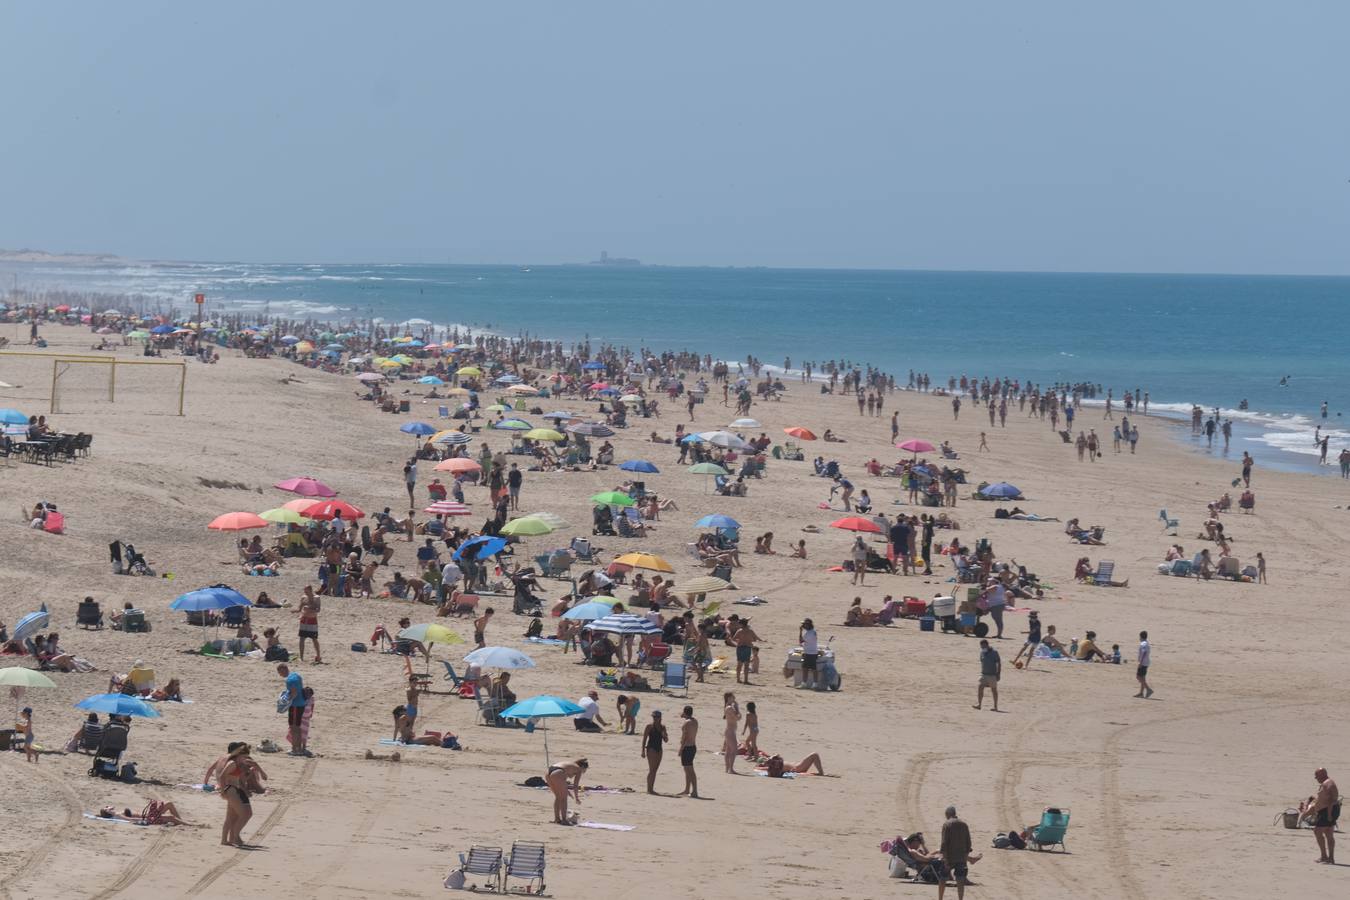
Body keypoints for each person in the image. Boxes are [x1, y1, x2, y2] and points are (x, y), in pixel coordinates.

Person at [215, 742, 261, 847]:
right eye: (244, 756)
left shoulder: (238, 763)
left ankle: (225, 840)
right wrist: (223, 791)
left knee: (231, 817)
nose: (246, 758)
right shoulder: (232, 763)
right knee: (245, 814)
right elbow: (222, 777)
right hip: (230, 789)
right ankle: (235, 837)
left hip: (233, 789)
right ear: (239, 755)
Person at [938, 805, 981, 899]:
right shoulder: (964, 824)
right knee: (960, 880)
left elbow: (944, 843)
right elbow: (968, 843)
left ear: (947, 814)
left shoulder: (947, 824)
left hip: (949, 857)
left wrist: (945, 858)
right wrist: (965, 856)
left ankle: (940, 898)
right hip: (961, 858)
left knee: (942, 879)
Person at [277, 663, 310, 756]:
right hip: (301, 704)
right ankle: (298, 748)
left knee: (293, 727)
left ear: (284, 669)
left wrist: (285, 702)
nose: (280, 675)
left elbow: (294, 693)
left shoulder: (290, 680)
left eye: (280, 672)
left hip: (295, 705)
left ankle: (295, 749)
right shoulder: (296, 675)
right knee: (297, 727)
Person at [1311, 768, 1340, 864]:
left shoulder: (1327, 784)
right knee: (1328, 833)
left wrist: (1328, 814)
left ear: (1322, 775)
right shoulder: (1328, 782)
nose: (1316, 778)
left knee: (1318, 831)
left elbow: (1331, 800)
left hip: (1328, 811)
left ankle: (1324, 856)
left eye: (1317, 776)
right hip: (1329, 810)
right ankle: (1330, 858)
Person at [96, 800, 196, 826]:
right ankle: (189, 825)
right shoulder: (117, 815)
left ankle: (180, 822)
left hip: (149, 814)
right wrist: (145, 820)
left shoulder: (116, 813)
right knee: (170, 817)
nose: (107, 806)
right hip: (149, 817)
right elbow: (130, 820)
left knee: (169, 804)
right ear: (108, 811)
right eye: (106, 807)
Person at [641, 710, 667, 794]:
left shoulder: (663, 727)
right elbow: (644, 739)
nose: (655, 719)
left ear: (660, 718)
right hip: (651, 748)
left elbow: (666, 740)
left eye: (656, 717)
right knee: (652, 770)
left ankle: (651, 788)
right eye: (654, 717)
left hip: (659, 749)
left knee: (655, 770)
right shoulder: (649, 726)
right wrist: (643, 751)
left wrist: (664, 735)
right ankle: (649, 789)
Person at [676, 705, 700, 798]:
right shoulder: (695, 721)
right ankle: (687, 789)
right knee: (687, 769)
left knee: (690, 770)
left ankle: (694, 791)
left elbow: (685, 738)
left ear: (685, 712)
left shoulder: (686, 723)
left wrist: (680, 749)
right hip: (693, 747)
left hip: (687, 748)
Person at [731, 620, 761, 685]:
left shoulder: (739, 631)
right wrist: (761, 640)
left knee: (739, 664)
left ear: (742, 624)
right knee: (746, 665)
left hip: (740, 647)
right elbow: (756, 638)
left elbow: (733, 638)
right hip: (747, 648)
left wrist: (738, 641)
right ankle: (745, 680)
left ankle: (738, 679)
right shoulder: (750, 631)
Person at [974, 639, 1000, 711]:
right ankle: (979, 705)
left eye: (983, 646)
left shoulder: (994, 652)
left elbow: (998, 663)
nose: (982, 648)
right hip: (984, 674)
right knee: (980, 687)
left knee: (994, 690)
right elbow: (982, 662)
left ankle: (995, 706)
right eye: (981, 646)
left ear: (987, 645)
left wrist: (998, 674)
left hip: (992, 675)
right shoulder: (982, 652)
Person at [296, 591, 321, 663]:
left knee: (314, 639)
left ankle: (318, 656)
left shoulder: (316, 598)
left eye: (306, 590)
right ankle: (301, 657)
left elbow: (318, 610)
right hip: (304, 620)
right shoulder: (304, 597)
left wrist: (309, 609)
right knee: (302, 638)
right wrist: (300, 614)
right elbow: (300, 609)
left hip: (312, 621)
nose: (305, 592)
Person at [721, 692, 741, 773]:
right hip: (730, 731)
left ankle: (727, 768)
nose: (734, 698)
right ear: (729, 698)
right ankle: (731, 769)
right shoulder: (730, 708)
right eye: (733, 697)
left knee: (728, 751)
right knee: (734, 750)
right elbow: (738, 718)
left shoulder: (728, 707)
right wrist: (737, 708)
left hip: (729, 731)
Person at [799, 618, 819, 689]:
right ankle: (814, 683)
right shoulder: (812, 632)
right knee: (813, 668)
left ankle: (805, 683)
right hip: (812, 652)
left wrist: (800, 631)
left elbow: (800, 641)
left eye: (804, 624)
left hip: (809, 653)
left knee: (806, 668)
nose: (803, 626)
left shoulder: (808, 634)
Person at [1134, 631, 1153, 698]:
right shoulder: (1146, 643)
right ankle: (1141, 693)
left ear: (1140, 636)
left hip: (1143, 663)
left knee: (1138, 677)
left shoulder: (1143, 644)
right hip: (1146, 662)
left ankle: (1148, 689)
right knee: (1143, 678)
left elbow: (1144, 652)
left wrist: (1140, 662)